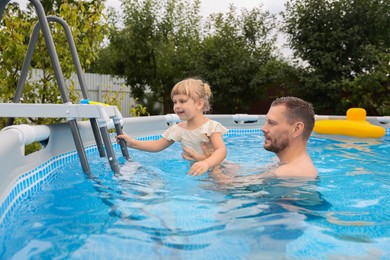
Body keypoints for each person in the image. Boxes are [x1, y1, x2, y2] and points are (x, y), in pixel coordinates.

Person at [183, 96, 318, 179]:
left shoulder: (289, 173)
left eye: (272, 123)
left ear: (297, 129)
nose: (263, 128)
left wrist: (212, 166)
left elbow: (230, 188)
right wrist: (211, 160)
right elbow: (241, 174)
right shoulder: (285, 165)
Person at [116, 78, 228, 176]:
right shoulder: (178, 129)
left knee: (223, 186)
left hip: (218, 167)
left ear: (199, 104)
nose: (177, 106)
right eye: (175, 102)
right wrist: (131, 142)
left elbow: (221, 150)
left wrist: (207, 163)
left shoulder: (210, 127)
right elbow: (156, 145)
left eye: (182, 101)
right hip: (197, 168)